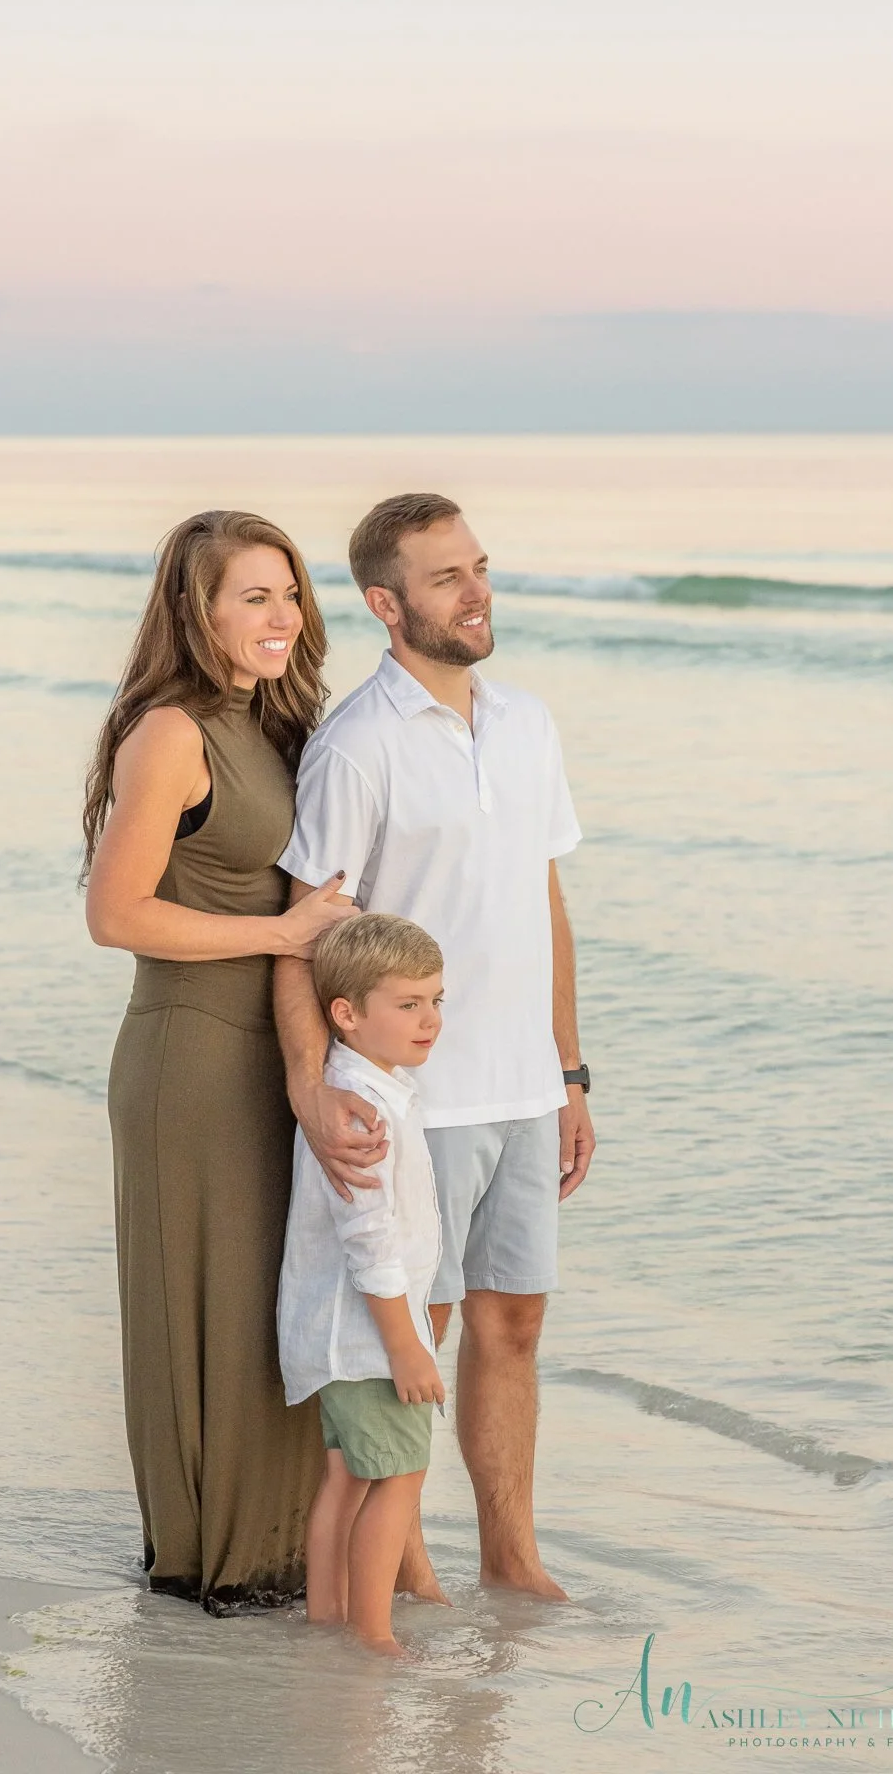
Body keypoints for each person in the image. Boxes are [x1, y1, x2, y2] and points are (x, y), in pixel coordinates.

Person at [275, 491, 596, 1603]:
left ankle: (510, 1556)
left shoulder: (524, 722)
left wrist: (567, 1072)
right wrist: (313, 1090)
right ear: (385, 602)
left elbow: (540, 901)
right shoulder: (354, 746)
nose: (476, 590)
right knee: (415, 1327)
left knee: (510, 1324)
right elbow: (302, 936)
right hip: (413, 1104)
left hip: (518, 1084)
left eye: (479, 567)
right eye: (447, 576)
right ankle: (402, 1573)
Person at [82, 509, 356, 1614]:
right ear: (195, 610)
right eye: (252, 595)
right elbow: (115, 912)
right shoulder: (171, 731)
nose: (280, 615)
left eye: (288, 591)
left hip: (276, 1052)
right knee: (199, 1302)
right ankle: (204, 1556)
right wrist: (281, 936)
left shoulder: (281, 723)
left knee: (272, 1305)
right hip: (188, 1056)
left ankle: (278, 1548)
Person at [277, 913, 448, 1657]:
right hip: (371, 1339)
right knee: (400, 1478)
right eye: (408, 1004)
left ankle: (329, 1618)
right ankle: (373, 1634)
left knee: (346, 1479)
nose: (430, 1019)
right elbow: (370, 1241)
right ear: (346, 1014)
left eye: (438, 1000)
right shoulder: (362, 1109)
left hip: (338, 1337)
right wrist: (408, 1346)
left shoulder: (366, 1089)